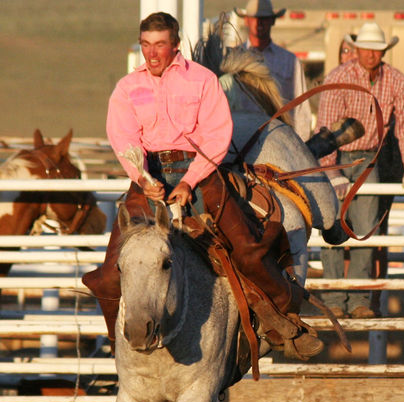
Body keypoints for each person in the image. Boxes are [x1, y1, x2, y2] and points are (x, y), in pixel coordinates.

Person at [82, 11, 322, 360]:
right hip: (148, 174)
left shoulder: (202, 81)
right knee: (107, 275)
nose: (152, 53)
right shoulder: (127, 89)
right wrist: (143, 179)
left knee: (246, 249)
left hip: (201, 172)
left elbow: (216, 134)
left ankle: (284, 317)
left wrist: (190, 180)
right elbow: (123, 138)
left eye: (160, 45)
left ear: (175, 46)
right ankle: (120, 346)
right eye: (146, 45)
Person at [316, 22, 404, 318]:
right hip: (338, 156)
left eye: (376, 50)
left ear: (382, 51)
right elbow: (325, 129)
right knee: (333, 228)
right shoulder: (339, 77)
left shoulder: (396, 80)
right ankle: (334, 299)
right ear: (357, 49)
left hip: (369, 159)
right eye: (366, 49)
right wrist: (331, 171)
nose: (370, 54)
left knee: (365, 229)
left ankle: (360, 299)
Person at [234, 0, 312, 140]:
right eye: (254, 18)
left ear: (272, 21)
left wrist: (301, 143)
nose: (259, 23)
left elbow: (301, 108)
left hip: (279, 137)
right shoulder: (234, 58)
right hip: (241, 137)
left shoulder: (289, 60)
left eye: (264, 19)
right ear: (246, 20)